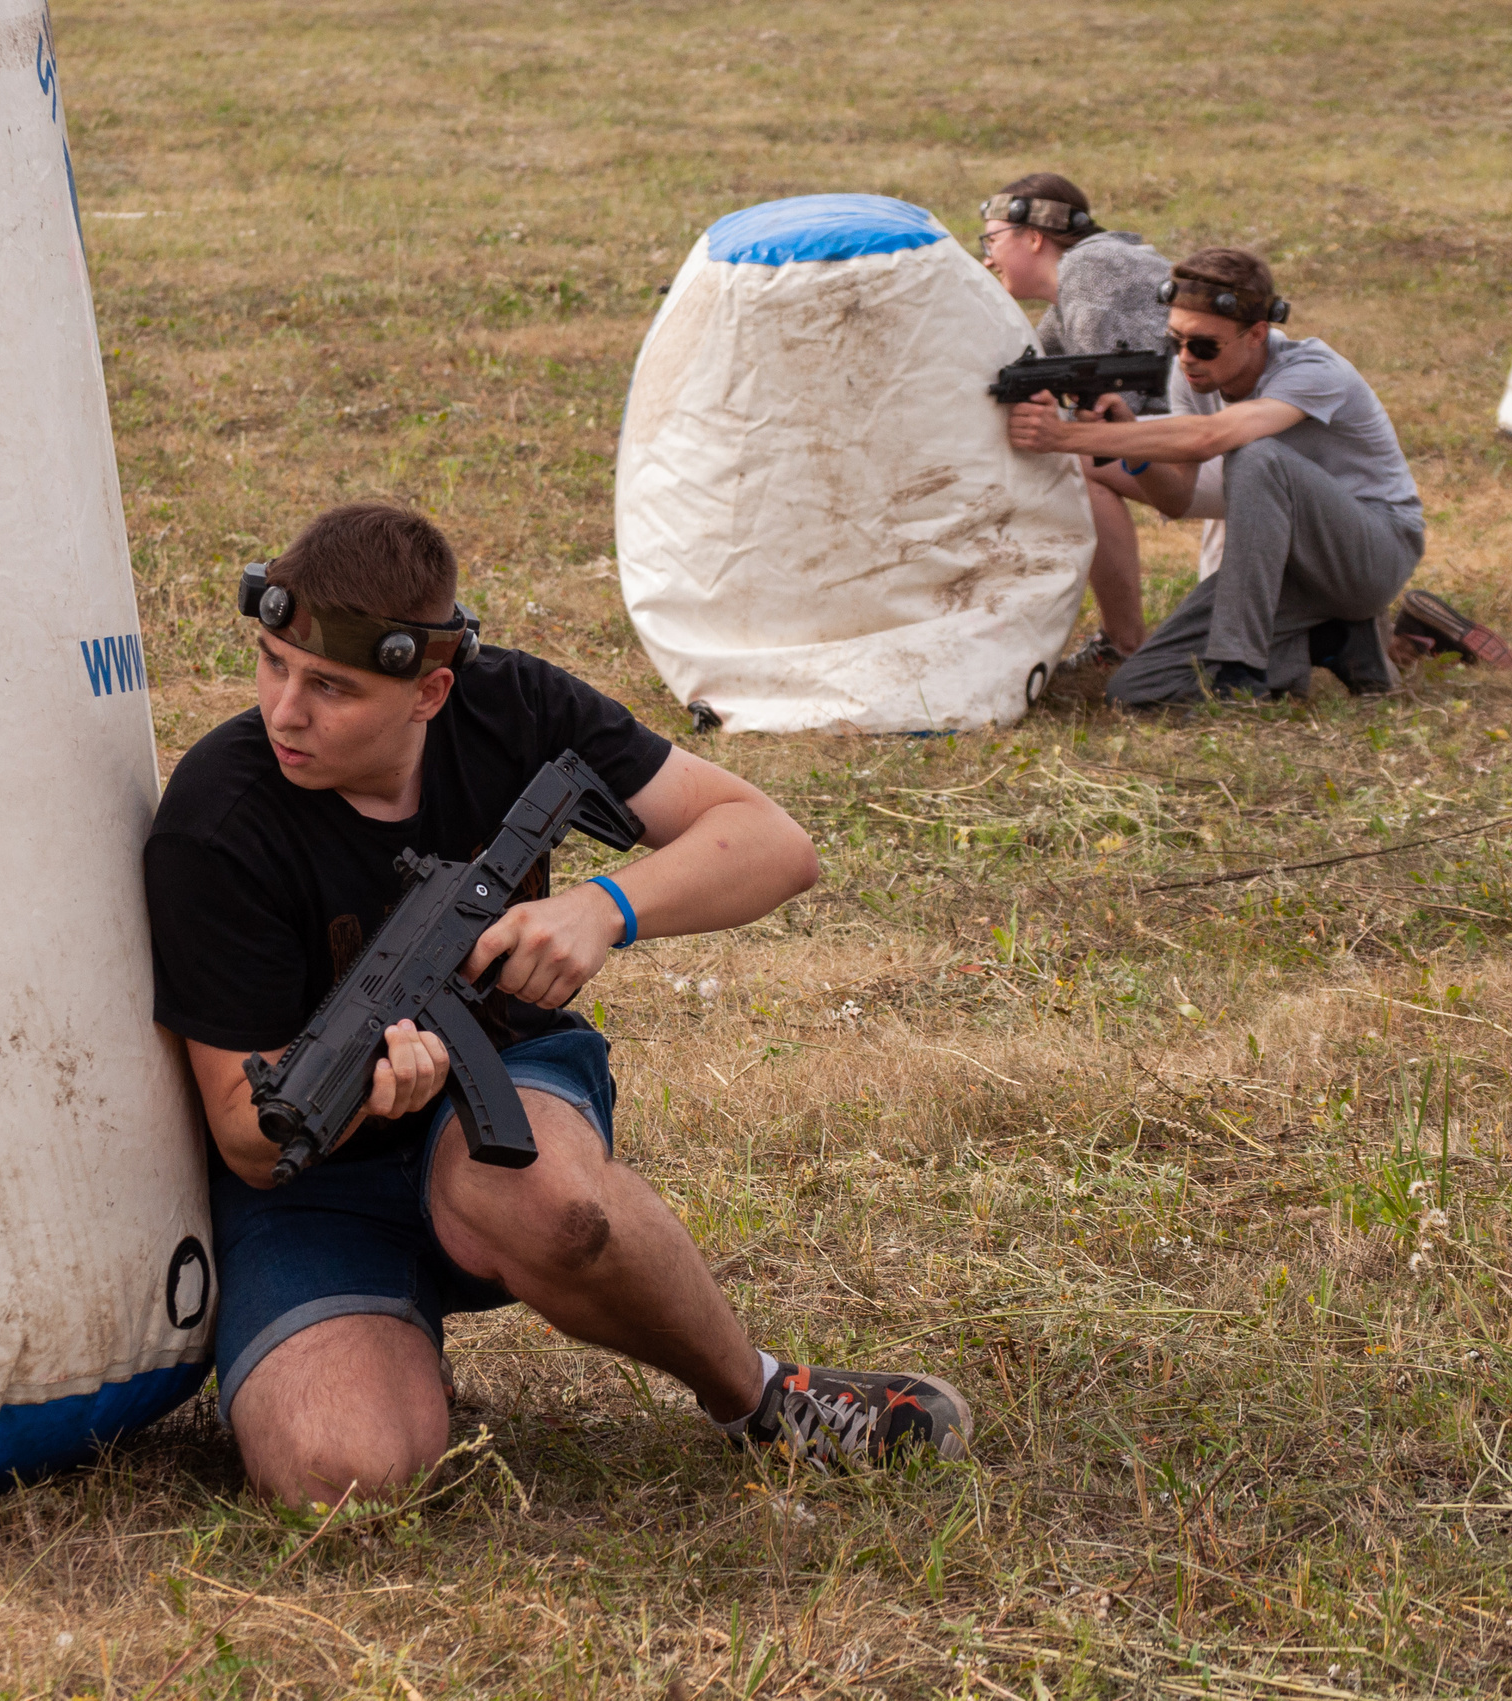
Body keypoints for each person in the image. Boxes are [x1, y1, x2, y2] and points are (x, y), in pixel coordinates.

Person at [143, 502, 973, 1506]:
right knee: (343, 1476)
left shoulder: (513, 711)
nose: (284, 710)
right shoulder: (218, 820)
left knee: (555, 1207)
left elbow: (770, 845)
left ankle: (756, 1399)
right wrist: (369, 1090)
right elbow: (246, 1138)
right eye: (272, 664)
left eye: (331, 687)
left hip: (498, 1085)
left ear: (429, 691)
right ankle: (384, 1336)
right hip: (307, 1182)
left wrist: (603, 906)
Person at [1004, 248, 1422, 705]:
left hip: (1371, 554)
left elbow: (1211, 438)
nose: (1185, 358)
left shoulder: (1316, 371)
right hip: (1279, 570)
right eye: (1175, 342)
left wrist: (1062, 438)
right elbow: (1177, 497)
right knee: (1135, 691)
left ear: (1257, 334)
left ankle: (1242, 667)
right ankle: (1336, 642)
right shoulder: (1193, 376)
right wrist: (1125, 438)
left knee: (1256, 456)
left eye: (1204, 345)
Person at [979, 173, 1176, 664]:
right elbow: (1029, 369)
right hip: (1188, 430)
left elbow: (1119, 408)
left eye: (991, 239)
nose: (986, 257)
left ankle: (1124, 644)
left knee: (1075, 465)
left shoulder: (1091, 267)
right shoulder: (1076, 289)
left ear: (1033, 235)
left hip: (1199, 438)